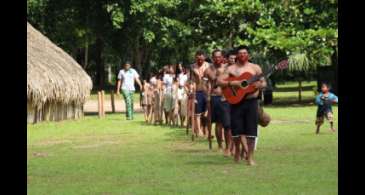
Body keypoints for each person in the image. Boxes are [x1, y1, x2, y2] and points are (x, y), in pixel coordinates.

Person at [217, 45, 266, 165]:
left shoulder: (255, 68)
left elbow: (263, 82)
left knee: (251, 131)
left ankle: (250, 157)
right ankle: (237, 151)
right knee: (236, 130)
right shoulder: (231, 69)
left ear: (248, 55)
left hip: (252, 102)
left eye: (245, 53)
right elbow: (219, 81)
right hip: (236, 102)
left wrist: (260, 85)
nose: (243, 55)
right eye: (240, 53)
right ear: (237, 55)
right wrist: (235, 83)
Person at [204, 49, 232, 155]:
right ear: (212, 58)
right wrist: (207, 96)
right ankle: (220, 145)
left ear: (222, 57)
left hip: (225, 98)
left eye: (219, 57)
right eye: (215, 57)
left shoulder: (227, 69)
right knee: (217, 123)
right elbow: (204, 84)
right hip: (213, 97)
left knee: (227, 124)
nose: (217, 59)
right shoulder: (208, 70)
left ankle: (228, 147)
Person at [189, 50, 210, 137]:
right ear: (195, 58)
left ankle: (206, 130)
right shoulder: (192, 66)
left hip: (207, 91)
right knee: (197, 113)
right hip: (197, 91)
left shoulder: (208, 66)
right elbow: (191, 80)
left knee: (206, 113)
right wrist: (191, 91)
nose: (200, 61)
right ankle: (199, 130)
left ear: (204, 58)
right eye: (198, 59)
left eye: (201, 59)